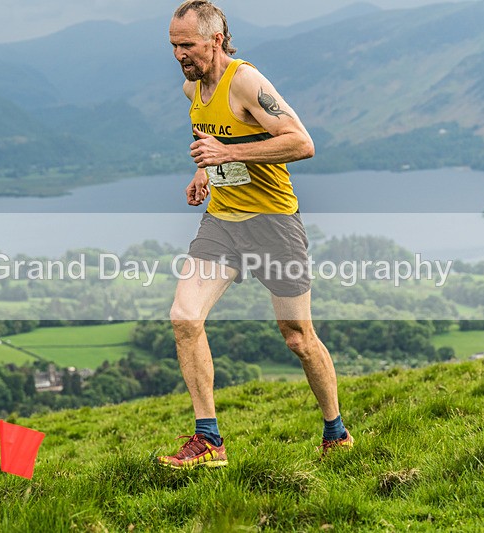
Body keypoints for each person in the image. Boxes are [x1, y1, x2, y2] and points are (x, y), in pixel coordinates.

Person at [156, 0, 352, 469]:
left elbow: (301, 142)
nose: (179, 54)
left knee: (298, 337)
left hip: (274, 224)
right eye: (173, 45)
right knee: (185, 318)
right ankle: (209, 442)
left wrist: (227, 153)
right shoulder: (191, 90)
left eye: (188, 45)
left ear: (215, 40)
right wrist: (204, 171)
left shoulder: (244, 80)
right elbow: (215, 141)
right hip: (222, 223)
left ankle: (336, 431)